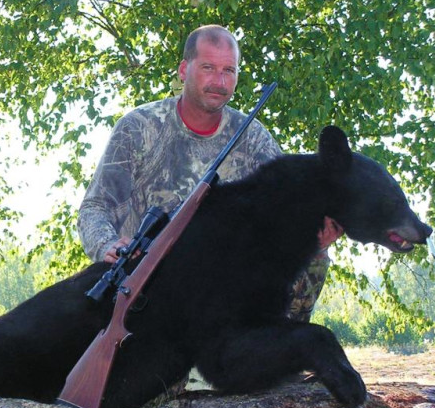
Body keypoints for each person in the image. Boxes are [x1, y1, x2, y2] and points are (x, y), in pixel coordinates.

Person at [77, 24, 342, 322]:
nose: (219, 81)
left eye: (229, 70)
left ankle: (274, 352)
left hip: (222, 298)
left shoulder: (254, 139)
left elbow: (286, 216)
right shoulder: (137, 128)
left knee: (313, 256)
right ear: (183, 70)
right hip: (142, 295)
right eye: (208, 67)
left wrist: (311, 236)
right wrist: (107, 245)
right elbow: (95, 208)